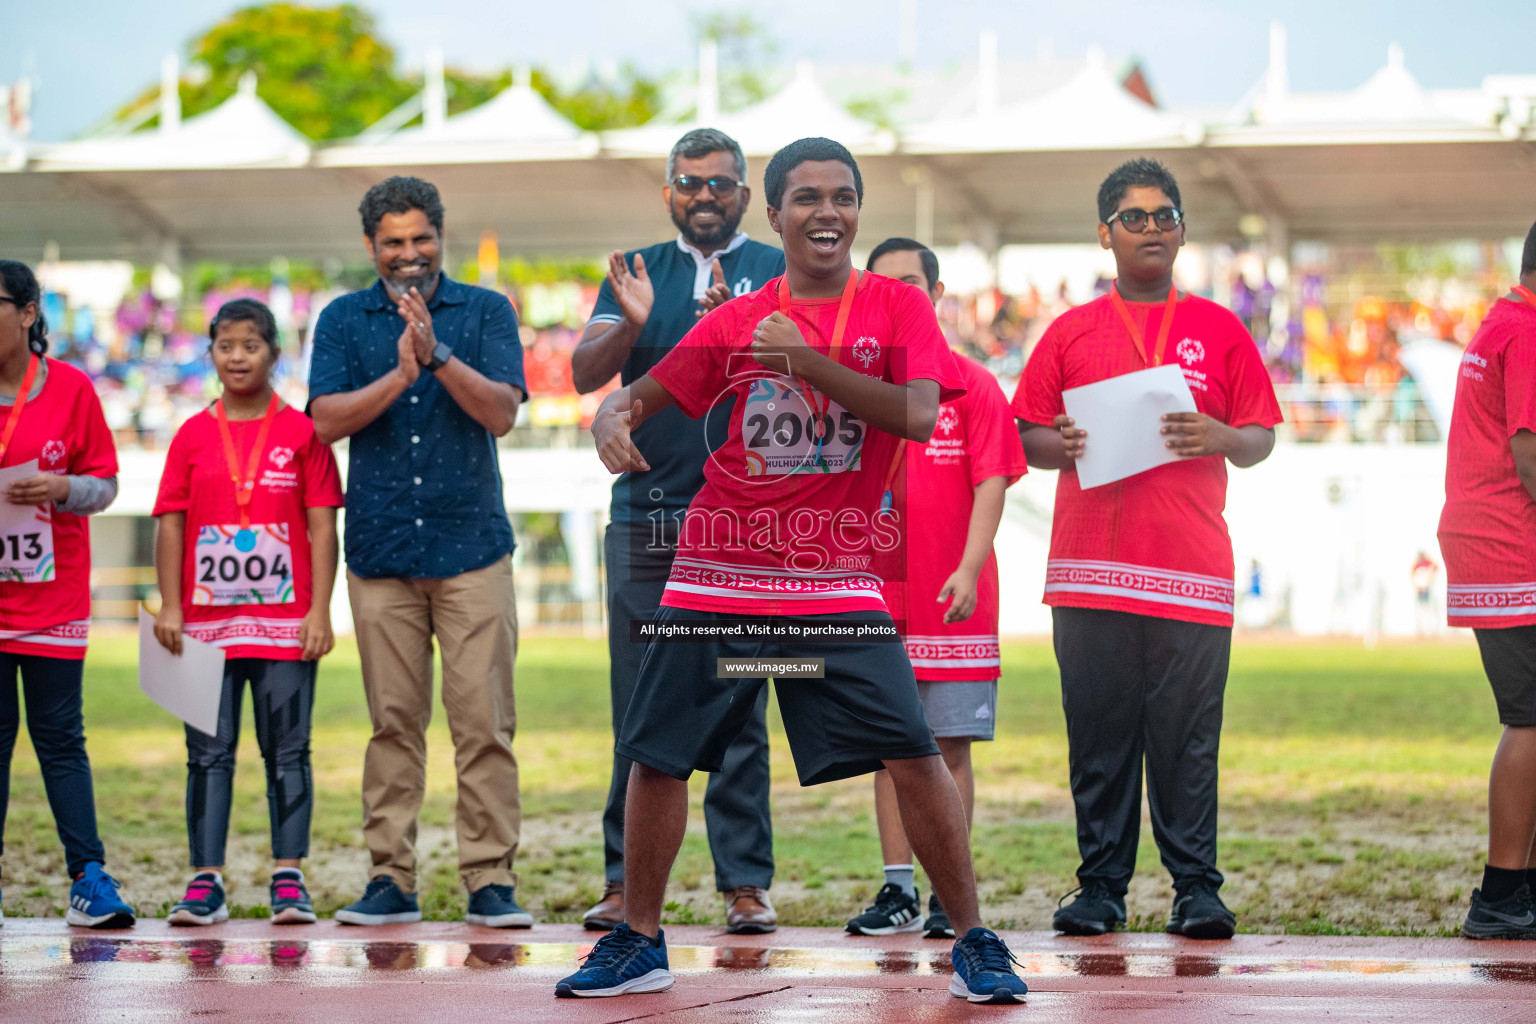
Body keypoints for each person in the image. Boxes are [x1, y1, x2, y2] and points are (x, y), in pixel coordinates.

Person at [556, 138, 1027, 1004]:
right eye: (806, 198)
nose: (828, 212)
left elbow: (921, 417)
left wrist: (807, 363)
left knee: (913, 750)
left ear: (858, 208)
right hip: (717, 567)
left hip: (832, 573)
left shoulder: (894, 307)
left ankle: (973, 938)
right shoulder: (735, 320)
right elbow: (633, 396)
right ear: (773, 215)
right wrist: (607, 421)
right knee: (655, 754)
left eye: (843, 197)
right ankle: (639, 938)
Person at [1013, 158, 1281, 940]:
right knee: (1098, 737)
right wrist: (1056, 443)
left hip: (1190, 571)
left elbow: (1260, 438)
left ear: (1183, 230)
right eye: (1136, 217)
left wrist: (1220, 435)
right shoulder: (1068, 332)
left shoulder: (1220, 329)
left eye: (1167, 216)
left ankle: (1197, 889)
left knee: (1188, 740)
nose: (1154, 228)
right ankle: (1100, 889)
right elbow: (1026, 432)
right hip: (1090, 569)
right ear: (1105, 234)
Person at [571, 128, 785, 935]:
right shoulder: (634, 269)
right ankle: (626, 885)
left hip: (750, 521)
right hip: (648, 516)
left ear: (744, 192)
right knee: (639, 699)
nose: (705, 195)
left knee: (740, 697)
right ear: (668, 192)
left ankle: (744, 884)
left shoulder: (778, 270)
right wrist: (629, 324)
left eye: (722, 184)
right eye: (690, 183)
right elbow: (587, 375)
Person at [308, 177, 531, 927]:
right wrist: (397, 375)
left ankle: (490, 879)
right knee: (392, 725)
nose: (410, 254)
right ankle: (390, 878)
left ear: (442, 235)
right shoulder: (342, 319)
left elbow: (502, 413)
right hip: (380, 555)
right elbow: (323, 422)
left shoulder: (487, 311)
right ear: (371, 248)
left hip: (473, 552)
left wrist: (435, 360)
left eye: (421, 238)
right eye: (394, 242)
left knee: (484, 727)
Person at [844, 239, 1027, 940]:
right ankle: (896, 891)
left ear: (937, 292)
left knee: (950, 747)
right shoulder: (856, 386)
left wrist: (970, 565)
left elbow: (992, 482)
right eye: (883, 286)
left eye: (911, 285)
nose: (898, 297)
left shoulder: (972, 385)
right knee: (891, 750)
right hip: (875, 597)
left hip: (954, 597)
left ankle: (951, 895)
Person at [152, 298, 343, 926]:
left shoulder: (302, 434)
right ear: (209, 353)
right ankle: (204, 881)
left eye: (251, 345)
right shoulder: (190, 434)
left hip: (286, 626)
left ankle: (288, 878)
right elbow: (171, 526)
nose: (238, 357)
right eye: (225, 345)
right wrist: (171, 607)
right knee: (206, 753)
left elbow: (321, 529)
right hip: (202, 628)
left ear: (273, 353)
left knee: (289, 751)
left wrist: (320, 610)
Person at [0, 259, 134, 928]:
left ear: (28, 314)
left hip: (52, 599)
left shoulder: (73, 389)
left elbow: (106, 486)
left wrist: (61, 489)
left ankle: (88, 878)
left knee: (59, 739)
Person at [1437, 218, 1536, 939]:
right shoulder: (1529, 333)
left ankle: (1514, 889)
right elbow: (1530, 455)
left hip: (1492, 546)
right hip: (1513, 550)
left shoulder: (1502, 324)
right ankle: (1502, 893)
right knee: (1531, 719)